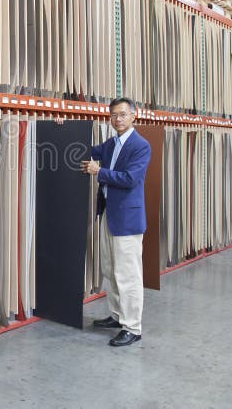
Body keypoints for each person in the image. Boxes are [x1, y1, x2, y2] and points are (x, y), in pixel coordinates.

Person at [81, 97, 150, 347]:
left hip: (127, 220)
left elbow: (130, 178)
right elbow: (87, 149)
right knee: (110, 269)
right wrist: (61, 124)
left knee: (128, 275)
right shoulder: (112, 144)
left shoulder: (141, 146)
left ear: (134, 115)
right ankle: (117, 315)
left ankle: (133, 327)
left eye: (122, 114)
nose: (117, 119)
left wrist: (99, 172)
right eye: (113, 115)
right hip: (109, 214)